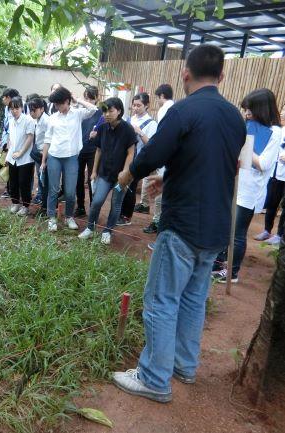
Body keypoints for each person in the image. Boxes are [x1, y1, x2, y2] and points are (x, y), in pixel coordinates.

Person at [112, 44, 246, 403]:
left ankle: (155, 378)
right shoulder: (235, 116)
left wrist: (127, 176)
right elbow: (209, 162)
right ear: (222, 76)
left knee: (161, 300)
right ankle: (184, 366)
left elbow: (153, 154)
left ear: (185, 74)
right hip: (217, 228)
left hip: (184, 225)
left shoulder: (183, 110)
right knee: (193, 299)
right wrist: (168, 181)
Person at [212, 89, 282, 283]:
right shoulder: (249, 126)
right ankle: (219, 262)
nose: (246, 114)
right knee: (225, 226)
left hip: (250, 190)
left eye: (250, 110)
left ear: (262, 109)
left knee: (237, 232)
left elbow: (264, 163)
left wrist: (244, 143)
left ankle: (232, 272)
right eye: (245, 110)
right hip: (234, 183)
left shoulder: (275, 132)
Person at [77, 98, 136, 245]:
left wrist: (125, 173)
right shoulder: (102, 128)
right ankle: (90, 228)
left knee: (116, 205)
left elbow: (131, 153)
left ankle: (107, 231)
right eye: (105, 111)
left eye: (111, 110)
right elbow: (98, 150)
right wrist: (94, 171)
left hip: (121, 176)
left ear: (119, 111)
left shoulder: (128, 129)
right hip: (104, 173)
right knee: (96, 202)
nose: (107, 114)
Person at [41, 86, 98, 232]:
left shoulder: (78, 114)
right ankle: (52, 218)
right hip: (54, 157)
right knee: (53, 189)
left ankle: (69, 217)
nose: (57, 107)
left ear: (67, 101)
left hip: (72, 158)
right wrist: (43, 161)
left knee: (70, 191)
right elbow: (47, 139)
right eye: (55, 104)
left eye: (59, 103)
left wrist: (76, 99)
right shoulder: (53, 118)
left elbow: (94, 109)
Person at [137, 83, 174, 235]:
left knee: (160, 195)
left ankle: (158, 224)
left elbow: (162, 136)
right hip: (173, 159)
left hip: (167, 158)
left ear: (161, 96)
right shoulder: (176, 107)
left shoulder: (164, 109)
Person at [119, 93, 158, 225]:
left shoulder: (151, 123)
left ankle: (126, 216)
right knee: (121, 185)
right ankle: (119, 212)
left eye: (138, 105)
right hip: (126, 157)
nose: (135, 108)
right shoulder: (130, 119)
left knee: (131, 187)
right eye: (134, 105)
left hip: (139, 159)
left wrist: (140, 132)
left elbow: (152, 145)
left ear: (146, 106)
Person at [254, 103, 285, 245]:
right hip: (275, 173)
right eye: (283, 109)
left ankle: (280, 235)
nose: (283, 113)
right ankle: (267, 230)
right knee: (272, 203)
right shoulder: (278, 130)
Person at [75, 86, 104, 217]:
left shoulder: (101, 112)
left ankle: (94, 208)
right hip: (80, 150)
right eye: (86, 98)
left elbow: (105, 132)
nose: (89, 100)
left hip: (94, 151)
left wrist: (97, 135)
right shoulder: (79, 112)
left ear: (97, 98)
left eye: (91, 98)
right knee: (78, 179)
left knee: (92, 180)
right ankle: (80, 206)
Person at [6, 97, 35, 215]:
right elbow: (10, 138)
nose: (14, 111)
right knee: (13, 182)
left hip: (25, 158)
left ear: (22, 108)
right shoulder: (11, 121)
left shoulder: (28, 120)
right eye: (12, 108)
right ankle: (15, 203)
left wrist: (21, 153)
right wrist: (9, 155)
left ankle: (25, 206)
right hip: (13, 157)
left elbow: (30, 138)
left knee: (24, 182)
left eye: (17, 108)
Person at [0, 88, 21, 200]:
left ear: (8, 98)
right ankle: (9, 188)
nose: (2, 99)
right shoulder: (7, 109)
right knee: (4, 164)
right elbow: (6, 127)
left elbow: (13, 130)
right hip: (6, 140)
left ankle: (11, 190)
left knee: (9, 165)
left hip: (12, 143)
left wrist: (8, 144)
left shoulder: (18, 110)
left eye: (4, 97)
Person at [28, 97, 50, 215]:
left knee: (45, 181)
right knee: (41, 179)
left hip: (45, 155)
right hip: (38, 154)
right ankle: (44, 204)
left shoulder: (47, 121)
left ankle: (47, 207)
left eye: (34, 110)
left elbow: (49, 140)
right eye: (30, 110)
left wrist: (44, 159)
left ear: (41, 109)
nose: (31, 113)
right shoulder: (37, 120)